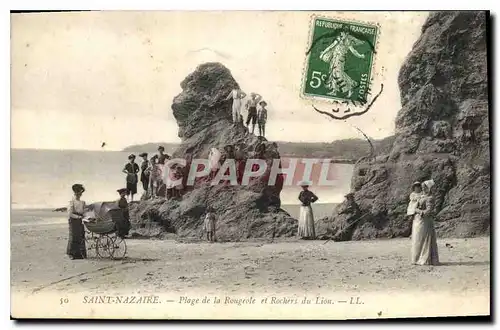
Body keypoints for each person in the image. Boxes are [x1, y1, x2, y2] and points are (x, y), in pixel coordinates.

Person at [411, 179, 439, 266]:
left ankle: (424, 259)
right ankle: (417, 259)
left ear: (429, 188)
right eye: (422, 187)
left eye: (424, 187)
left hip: (424, 222)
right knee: (417, 240)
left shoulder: (430, 198)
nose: (422, 189)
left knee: (423, 240)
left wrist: (417, 211)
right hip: (418, 221)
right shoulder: (422, 196)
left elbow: (428, 211)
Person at [67, 184, 87, 260]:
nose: (79, 194)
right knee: (73, 236)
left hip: (80, 220)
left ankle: (80, 254)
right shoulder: (71, 202)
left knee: (81, 236)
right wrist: (79, 217)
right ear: (75, 193)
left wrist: (85, 217)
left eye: (80, 192)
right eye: (78, 192)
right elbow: (70, 213)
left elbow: (84, 212)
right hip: (73, 221)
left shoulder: (83, 202)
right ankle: (71, 254)